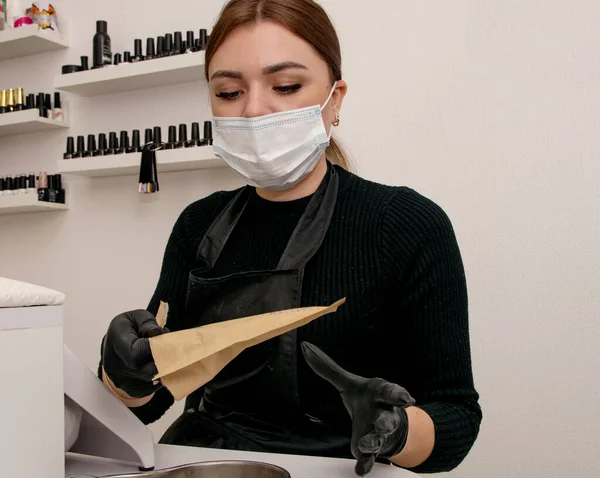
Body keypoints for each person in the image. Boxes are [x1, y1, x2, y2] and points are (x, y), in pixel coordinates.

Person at [99, 0, 482, 475]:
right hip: (210, 463)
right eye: (229, 92)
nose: (255, 110)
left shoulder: (406, 224)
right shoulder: (198, 225)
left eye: (285, 86)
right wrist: (124, 377)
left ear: (335, 98)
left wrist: (396, 429)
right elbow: (150, 404)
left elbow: (457, 417)